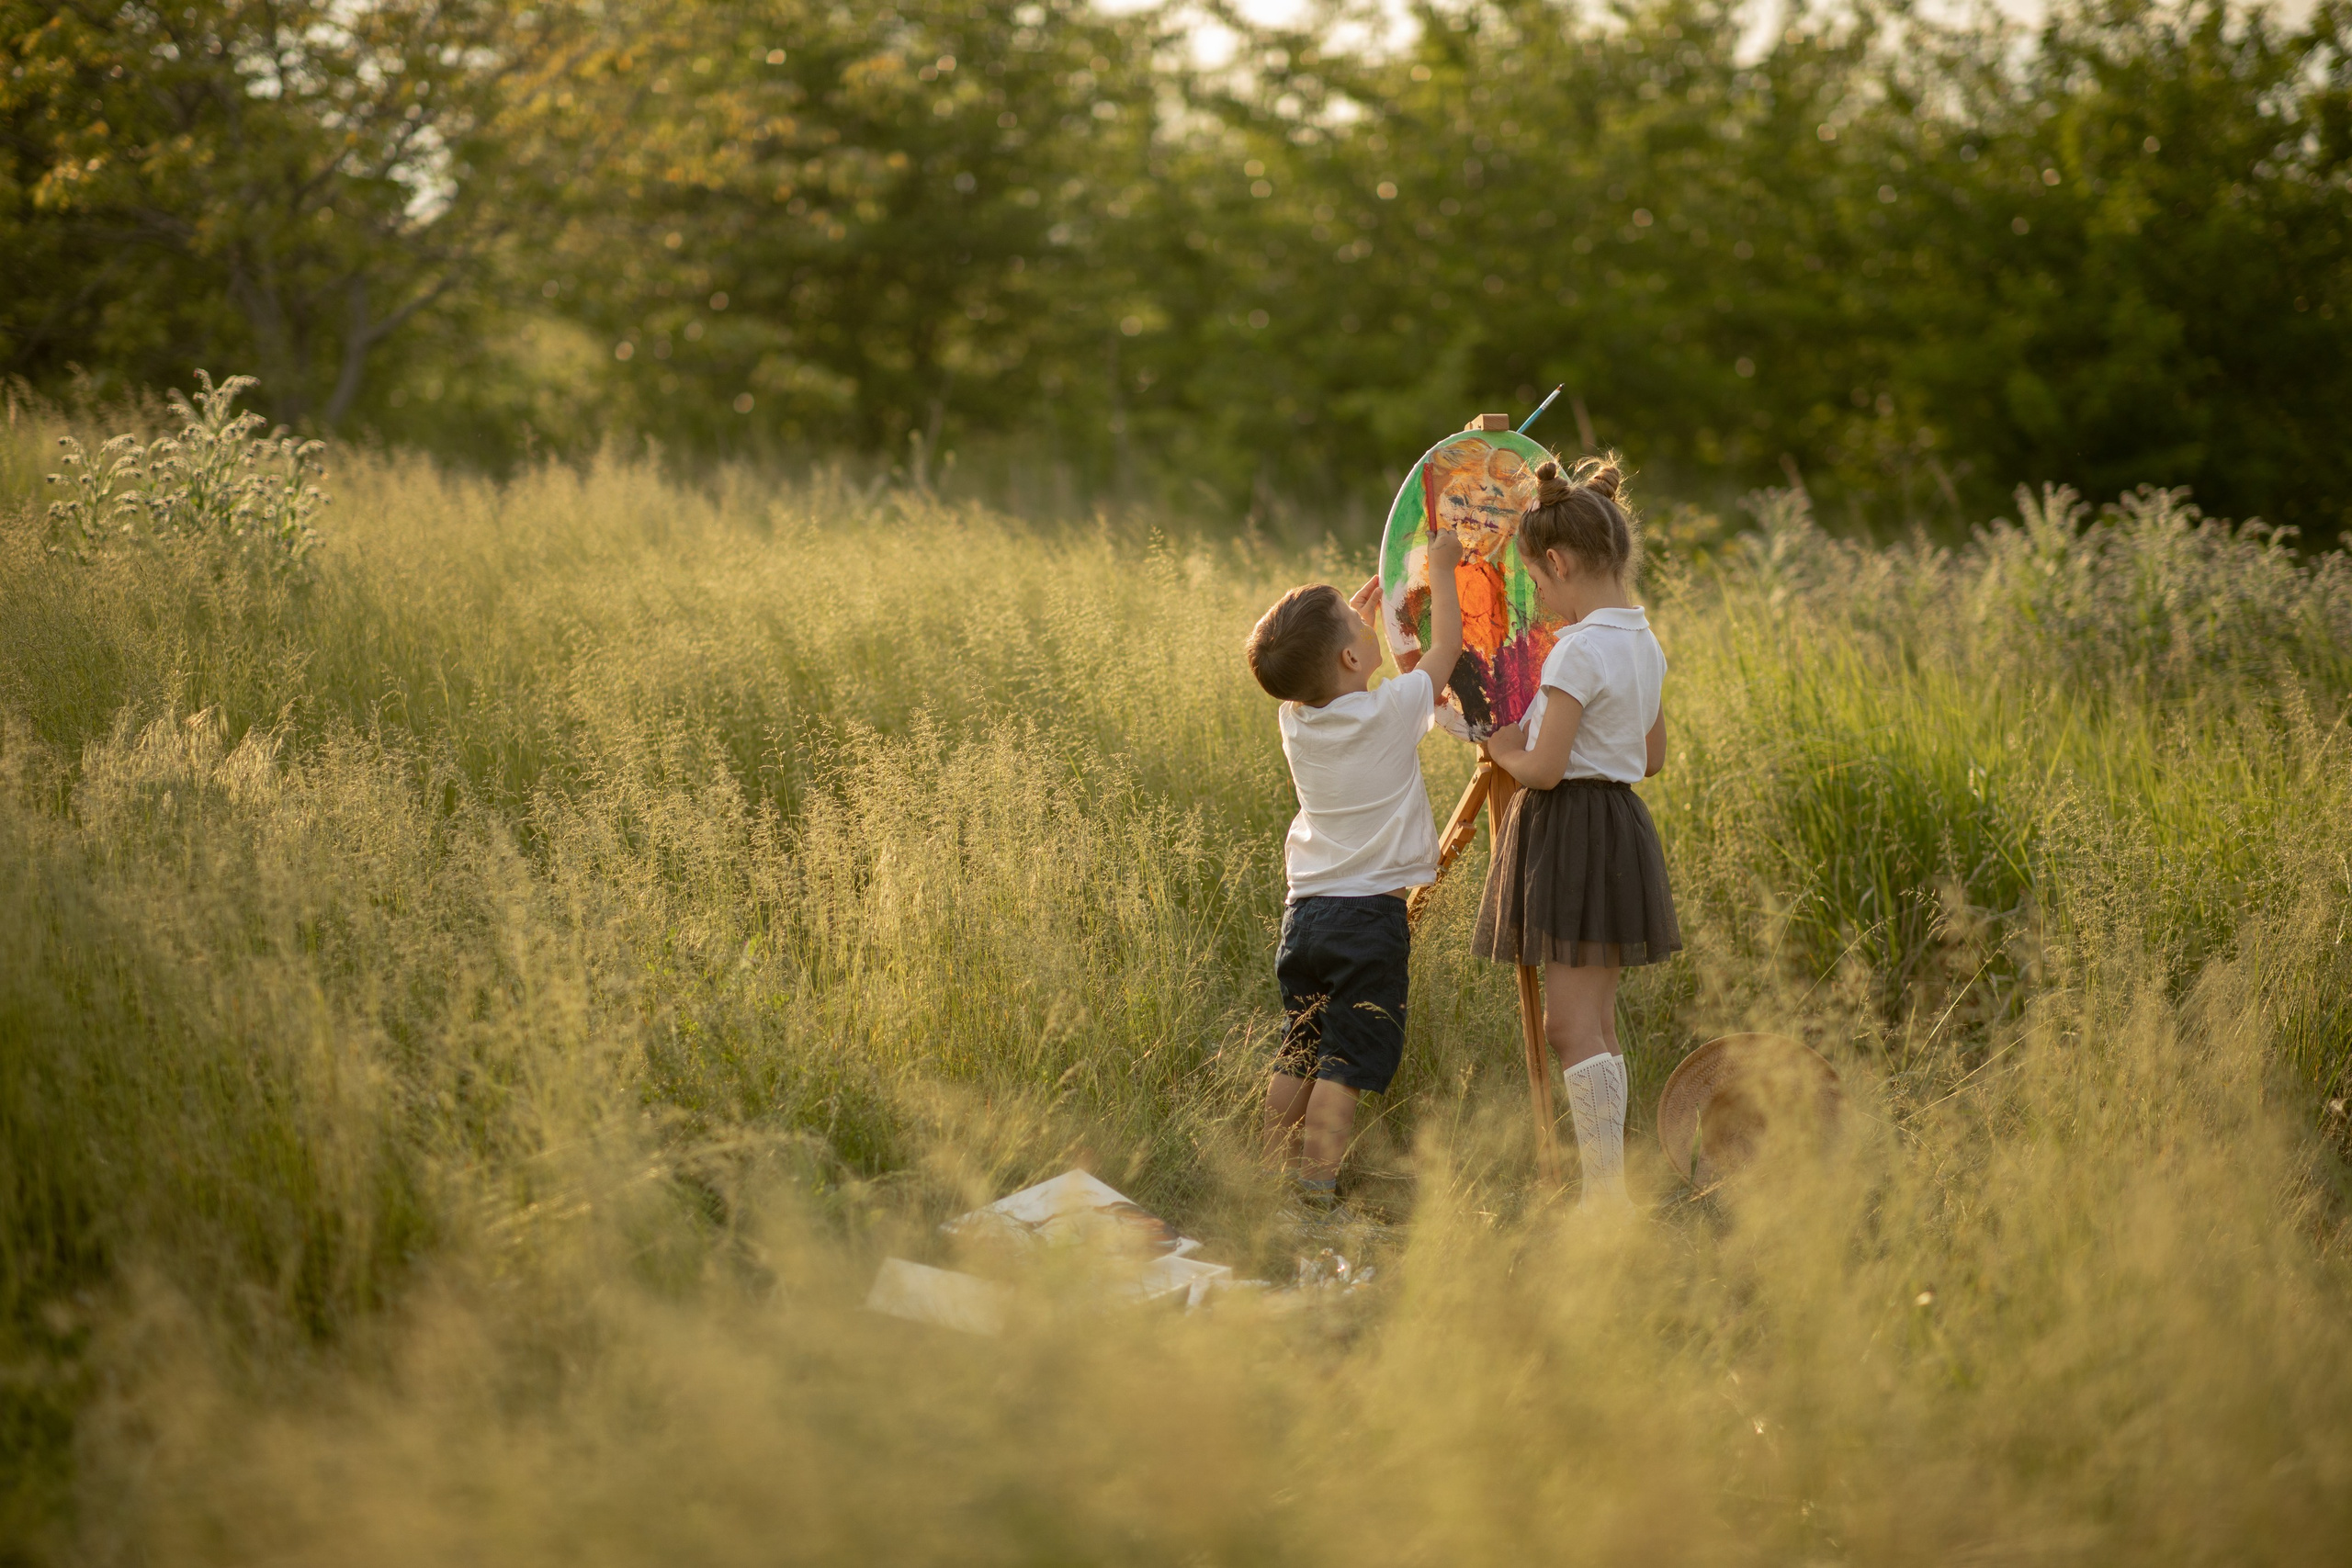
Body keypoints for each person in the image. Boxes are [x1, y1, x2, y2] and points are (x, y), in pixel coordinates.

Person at [1475, 456, 1680, 1207]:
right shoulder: (1644, 643)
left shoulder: (1579, 648)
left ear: (1557, 563)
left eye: (1534, 580)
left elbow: (1546, 768)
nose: (1535, 598)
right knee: (1596, 1022)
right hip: (1620, 825)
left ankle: (1604, 1200)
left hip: (1569, 831)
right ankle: (1610, 1188)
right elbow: (1651, 758)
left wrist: (1501, 747)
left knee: (1569, 1026)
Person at [1244, 529, 1465, 1220]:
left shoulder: (1295, 722)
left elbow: (1331, 678)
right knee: (1348, 1057)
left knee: (1300, 1045)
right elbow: (1447, 651)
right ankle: (1315, 1189)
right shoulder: (1393, 710)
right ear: (1348, 656)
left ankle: (1263, 1171)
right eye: (1357, 620)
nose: (1367, 621)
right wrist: (1444, 573)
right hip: (1369, 917)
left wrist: (1351, 631)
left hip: (1305, 914)